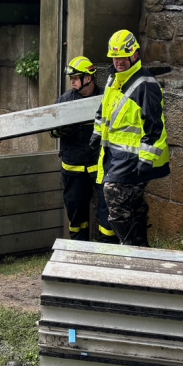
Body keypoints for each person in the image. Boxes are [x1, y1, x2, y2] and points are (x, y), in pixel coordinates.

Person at [92, 30, 170, 247]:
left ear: (134, 55)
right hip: (114, 154)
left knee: (113, 196)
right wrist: (96, 134)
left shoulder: (145, 84)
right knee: (133, 203)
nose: (118, 62)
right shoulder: (113, 79)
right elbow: (104, 111)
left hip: (133, 158)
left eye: (122, 57)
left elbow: (155, 126)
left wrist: (146, 158)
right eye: (115, 57)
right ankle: (140, 246)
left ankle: (128, 245)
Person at [51, 56, 117, 243]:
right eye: (71, 78)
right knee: (77, 218)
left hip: (101, 168)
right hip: (73, 169)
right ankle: (79, 255)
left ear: (88, 78)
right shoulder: (64, 100)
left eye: (76, 77)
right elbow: (52, 130)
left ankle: (107, 256)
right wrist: (59, 130)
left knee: (108, 216)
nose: (72, 81)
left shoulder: (106, 98)